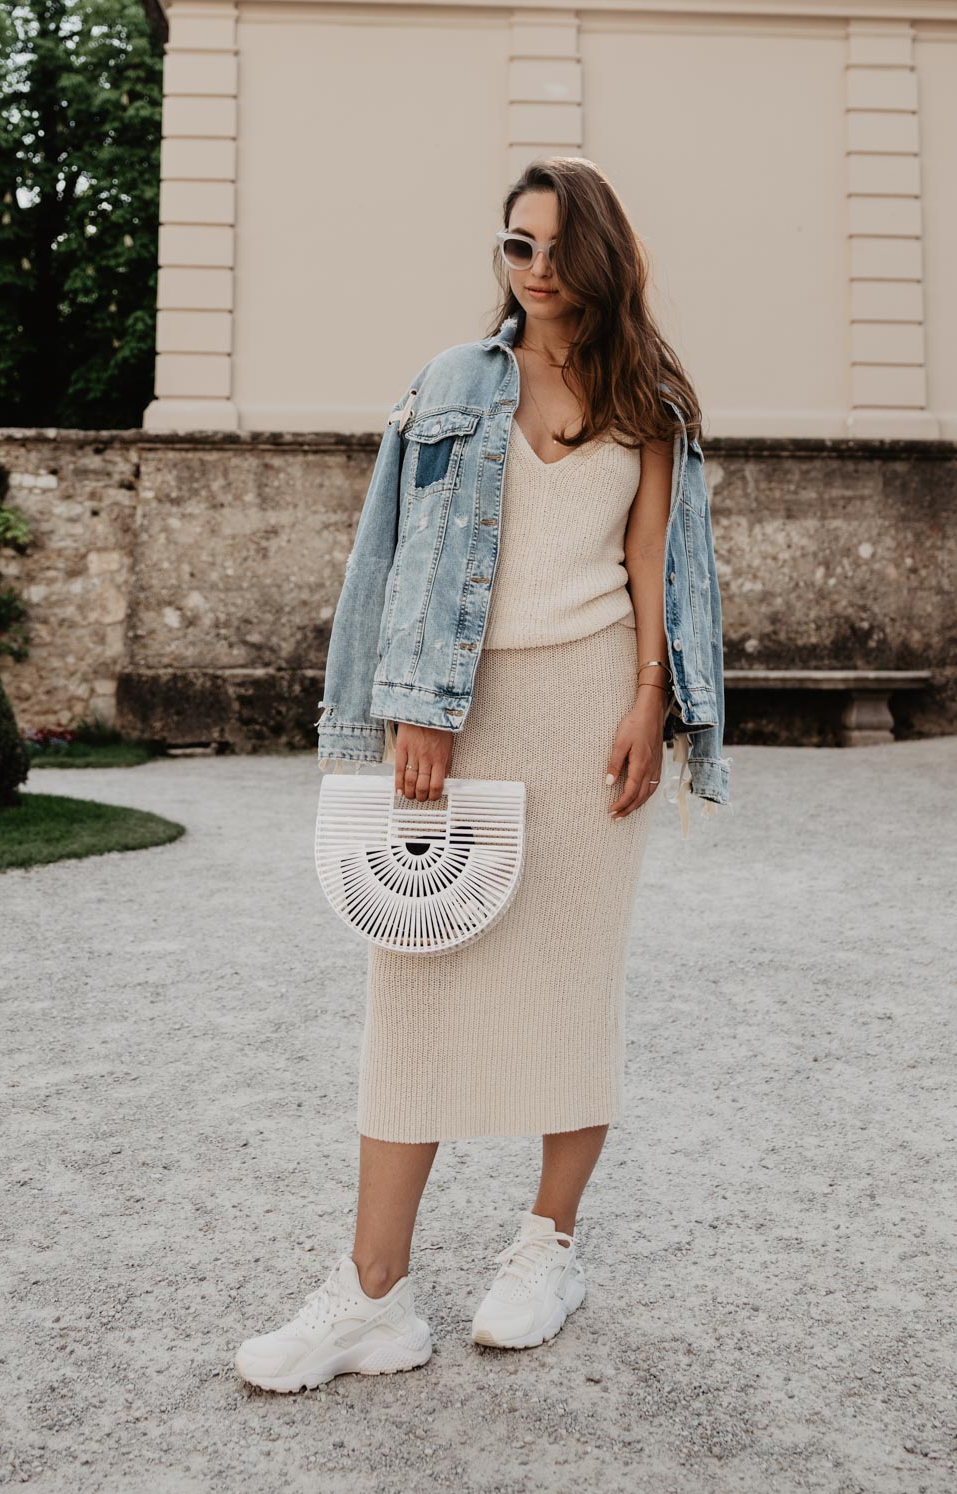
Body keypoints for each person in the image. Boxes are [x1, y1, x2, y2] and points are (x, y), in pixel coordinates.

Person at [235, 157, 729, 1394]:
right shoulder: (452, 384)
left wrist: (647, 708)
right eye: (517, 246)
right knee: (414, 993)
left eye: (559, 246)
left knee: (574, 989)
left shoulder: (650, 396)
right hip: (455, 716)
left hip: (588, 724)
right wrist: (406, 708)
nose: (538, 267)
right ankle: (371, 1295)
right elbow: (387, 556)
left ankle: (546, 1248)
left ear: (603, 252)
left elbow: (662, 574)